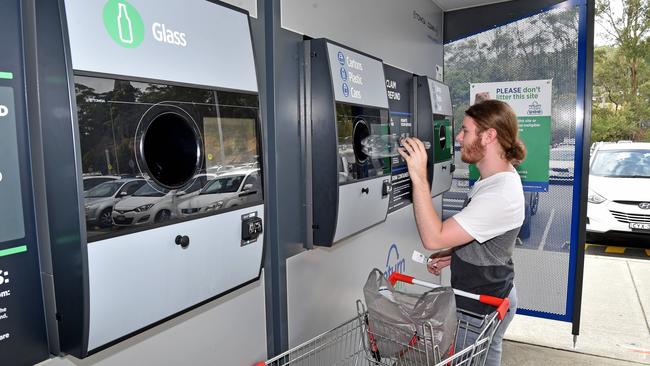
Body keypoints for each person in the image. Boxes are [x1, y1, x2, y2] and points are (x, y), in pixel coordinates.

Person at [398, 99, 525, 366]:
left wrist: (419, 175)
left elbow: (434, 237)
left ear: (489, 136)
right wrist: (455, 254)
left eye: (465, 130)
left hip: (481, 306)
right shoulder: (494, 177)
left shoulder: (500, 193)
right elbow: (484, 235)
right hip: (494, 296)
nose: (458, 137)